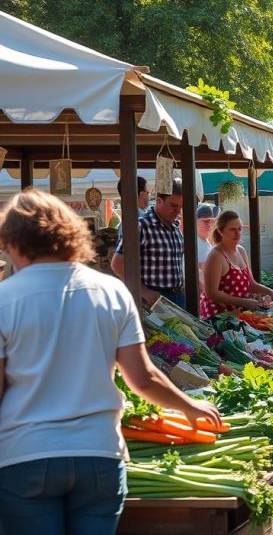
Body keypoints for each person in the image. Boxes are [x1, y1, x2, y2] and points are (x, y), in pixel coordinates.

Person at [0, 189, 221, 532]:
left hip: (25, 456)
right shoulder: (110, 291)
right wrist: (190, 407)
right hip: (99, 453)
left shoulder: (5, 299)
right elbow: (142, 377)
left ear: (13, 242)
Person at [111, 177, 185, 307]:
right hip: (153, 300)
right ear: (159, 201)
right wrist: (142, 290)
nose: (178, 211)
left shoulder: (174, 227)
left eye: (180, 206)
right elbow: (117, 264)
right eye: (173, 206)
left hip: (177, 297)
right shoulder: (141, 226)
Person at [200, 211, 273, 318]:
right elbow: (212, 293)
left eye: (240, 229)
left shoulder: (241, 251)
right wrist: (244, 302)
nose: (238, 233)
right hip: (221, 317)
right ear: (220, 231)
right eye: (232, 229)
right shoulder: (216, 256)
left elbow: (250, 284)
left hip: (239, 315)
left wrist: (270, 291)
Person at [196, 203, 218, 269]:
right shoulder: (194, 245)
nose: (209, 224)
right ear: (196, 222)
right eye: (206, 222)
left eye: (211, 221)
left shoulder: (208, 243)